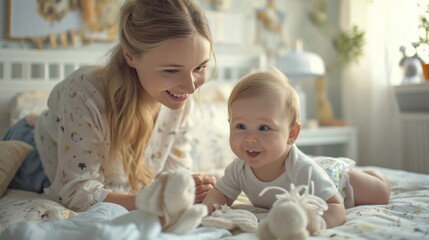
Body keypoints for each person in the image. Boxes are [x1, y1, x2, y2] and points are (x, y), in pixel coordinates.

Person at [3, 0, 217, 212]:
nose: (190, 86)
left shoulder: (180, 99)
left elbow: (171, 175)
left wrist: (188, 188)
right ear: (130, 56)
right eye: (171, 70)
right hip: (33, 156)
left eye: (200, 67)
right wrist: (147, 202)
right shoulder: (85, 92)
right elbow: (75, 190)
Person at [202, 68, 391, 228]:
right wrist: (208, 208)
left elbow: (336, 206)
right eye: (240, 126)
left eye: (264, 128)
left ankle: (372, 174)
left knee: (381, 193)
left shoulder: (303, 169)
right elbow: (222, 194)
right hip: (316, 171)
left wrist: (310, 225)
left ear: (292, 134)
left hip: (334, 179)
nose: (250, 139)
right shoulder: (239, 168)